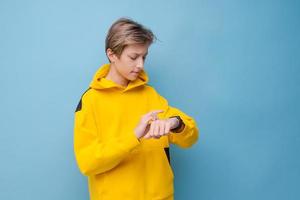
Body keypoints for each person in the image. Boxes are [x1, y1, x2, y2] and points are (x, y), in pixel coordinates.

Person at [73, 17, 199, 200]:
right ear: (112, 55)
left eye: (144, 57)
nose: (140, 65)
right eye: (133, 57)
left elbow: (191, 137)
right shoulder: (90, 101)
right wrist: (133, 137)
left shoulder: (150, 95)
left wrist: (174, 123)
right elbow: (88, 163)